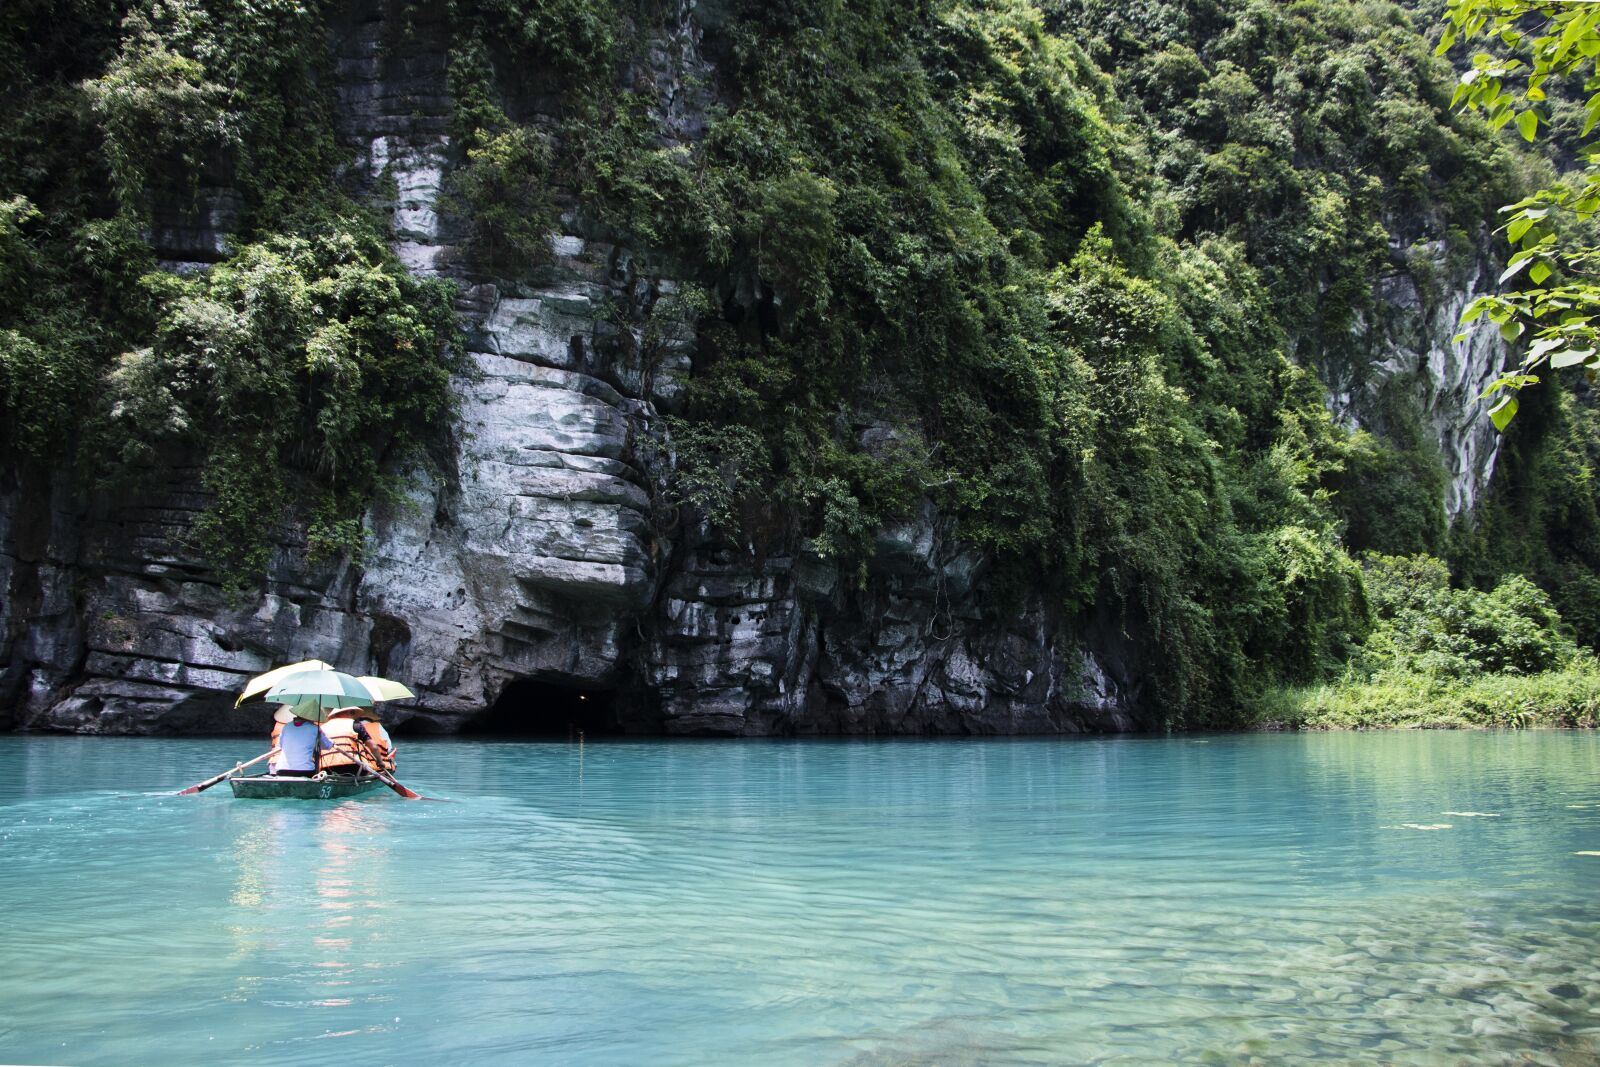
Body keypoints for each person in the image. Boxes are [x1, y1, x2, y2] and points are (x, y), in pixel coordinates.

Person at [319, 708, 396, 775]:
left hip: (326, 768)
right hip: (352, 767)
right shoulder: (355, 725)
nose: (353, 715)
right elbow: (373, 747)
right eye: (352, 713)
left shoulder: (322, 727)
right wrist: (380, 762)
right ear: (348, 713)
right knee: (369, 769)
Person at [271, 706, 331, 777]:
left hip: (282, 770)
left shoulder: (286, 726)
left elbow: (280, 745)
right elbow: (327, 746)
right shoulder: (315, 729)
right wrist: (332, 743)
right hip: (304, 771)